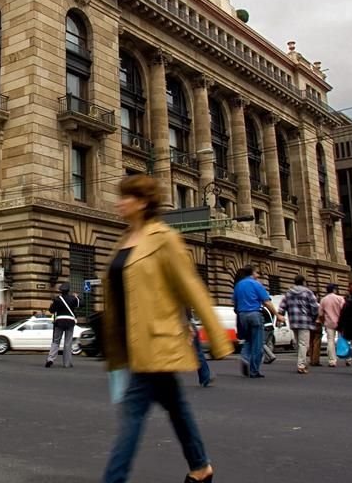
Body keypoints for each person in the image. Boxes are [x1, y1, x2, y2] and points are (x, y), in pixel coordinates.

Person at [101, 174, 230, 483]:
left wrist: (218, 338)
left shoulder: (164, 238)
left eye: (127, 197)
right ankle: (201, 467)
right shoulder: (124, 240)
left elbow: (191, 288)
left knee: (132, 414)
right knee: (176, 405)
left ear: (143, 202)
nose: (120, 202)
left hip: (155, 342)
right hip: (130, 342)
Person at [232, 265, 279, 378]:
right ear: (252, 273)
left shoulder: (238, 285)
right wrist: (278, 315)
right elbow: (267, 302)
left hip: (242, 315)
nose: (258, 275)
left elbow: (234, 302)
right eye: (256, 272)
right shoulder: (256, 284)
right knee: (258, 344)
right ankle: (254, 370)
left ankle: (245, 358)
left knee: (249, 339)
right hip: (255, 314)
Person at [279, 276, 320, 374]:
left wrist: (281, 315)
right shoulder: (308, 292)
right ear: (303, 282)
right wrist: (314, 316)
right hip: (305, 321)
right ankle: (301, 365)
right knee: (304, 344)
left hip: (293, 321)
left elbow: (282, 306)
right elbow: (315, 307)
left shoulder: (288, 293)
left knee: (299, 343)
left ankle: (301, 362)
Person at [46, 282, 80, 368]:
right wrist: (77, 297)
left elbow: (51, 310)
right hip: (70, 322)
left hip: (59, 322)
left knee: (56, 341)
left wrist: (53, 304)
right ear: (68, 290)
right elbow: (81, 304)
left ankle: (50, 359)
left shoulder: (57, 299)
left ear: (61, 291)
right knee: (68, 342)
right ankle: (67, 363)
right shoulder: (73, 298)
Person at [318, 284, 345, 367]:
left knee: (330, 341)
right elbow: (344, 310)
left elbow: (320, 314)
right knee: (343, 340)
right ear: (334, 290)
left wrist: (323, 322)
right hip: (341, 322)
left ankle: (332, 361)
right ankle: (348, 358)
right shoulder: (340, 298)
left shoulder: (323, 300)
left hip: (329, 323)